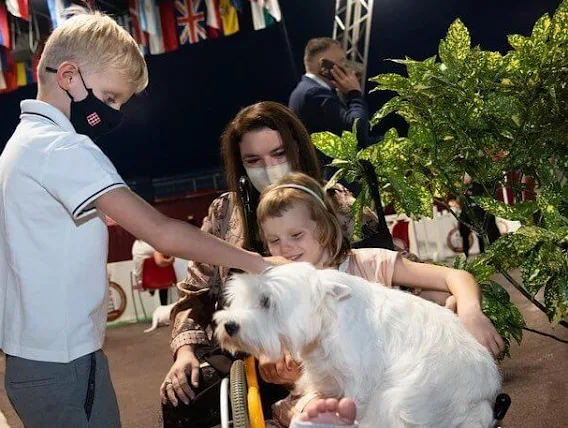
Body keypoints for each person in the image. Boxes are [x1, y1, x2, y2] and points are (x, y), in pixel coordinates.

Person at [0, 9, 276, 428]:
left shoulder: (26, 143)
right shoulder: (60, 148)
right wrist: (261, 264)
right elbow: (162, 232)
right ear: (68, 76)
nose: (114, 111)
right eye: (111, 97)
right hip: (60, 363)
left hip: (47, 359)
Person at [160, 101, 368, 428]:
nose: (268, 167)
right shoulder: (223, 212)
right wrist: (185, 353)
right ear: (240, 166)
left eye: (279, 153)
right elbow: (195, 293)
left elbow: (387, 270)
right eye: (253, 160)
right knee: (183, 397)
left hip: (327, 353)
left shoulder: (337, 203)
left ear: (298, 151)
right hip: (245, 356)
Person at [256, 173, 506, 426]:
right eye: (274, 241)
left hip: (393, 388)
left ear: (323, 228)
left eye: (296, 235)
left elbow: (455, 276)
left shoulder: (369, 264)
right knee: (312, 410)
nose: (285, 248)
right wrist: (279, 363)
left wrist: (470, 312)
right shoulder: (281, 296)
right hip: (334, 398)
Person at [288, 38, 372, 180]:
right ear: (324, 65)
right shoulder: (313, 93)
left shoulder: (307, 90)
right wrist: (354, 93)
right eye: (342, 62)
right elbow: (357, 131)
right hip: (330, 180)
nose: (347, 68)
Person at [131, 240, 174, 305]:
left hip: (141, 280)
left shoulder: (136, 244)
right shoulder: (154, 244)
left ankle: (151, 290)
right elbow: (160, 262)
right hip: (160, 280)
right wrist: (171, 260)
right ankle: (163, 305)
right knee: (164, 265)